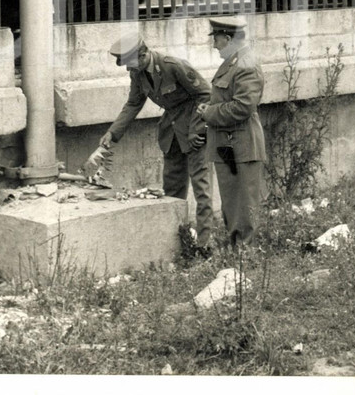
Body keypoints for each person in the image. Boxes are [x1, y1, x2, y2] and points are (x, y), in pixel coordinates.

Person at [101, 34, 214, 251]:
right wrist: (112, 133)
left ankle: (204, 244)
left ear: (143, 55)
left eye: (130, 63)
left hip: (194, 131)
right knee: (172, 189)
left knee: (201, 187)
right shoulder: (138, 73)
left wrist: (197, 129)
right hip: (171, 132)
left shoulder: (173, 66)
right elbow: (133, 103)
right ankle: (177, 241)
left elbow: (206, 94)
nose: (128, 69)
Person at [197, 15, 266, 247]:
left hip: (241, 145)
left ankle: (244, 254)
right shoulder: (234, 63)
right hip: (229, 145)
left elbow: (243, 107)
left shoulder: (246, 65)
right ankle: (236, 251)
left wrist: (209, 112)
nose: (214, 45)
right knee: (231, 202)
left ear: (227, 39)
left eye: (216, 40)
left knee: (243, 205)